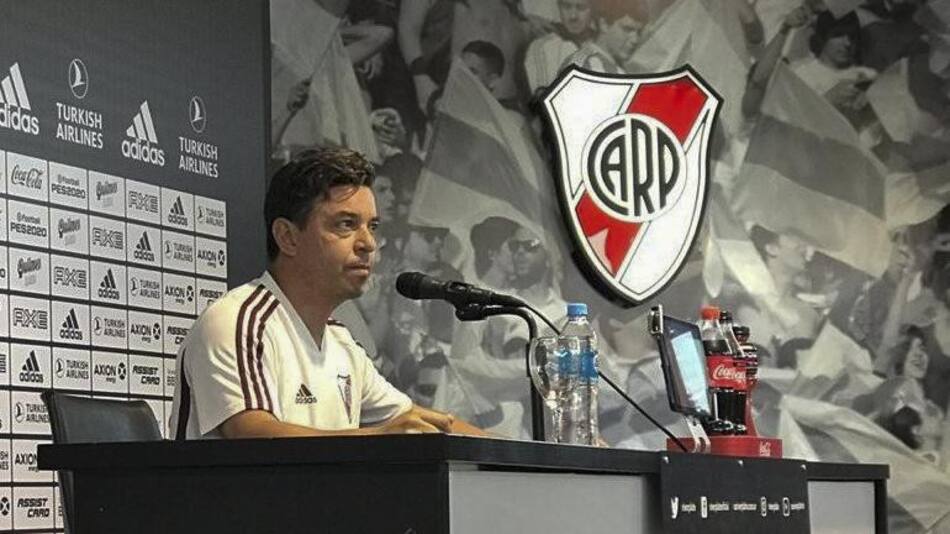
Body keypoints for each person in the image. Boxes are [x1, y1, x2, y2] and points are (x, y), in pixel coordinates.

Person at [170, 147, 484, 439]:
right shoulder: (237, 321)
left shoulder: (341, 342)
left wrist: (507, 453)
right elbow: (254, 436)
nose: (368, 244)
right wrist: (378, 440)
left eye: (372, 227)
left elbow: (420, 423)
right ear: (287, 237)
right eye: (346, 224)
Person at [523, 0, 595, 94]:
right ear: (559, 7)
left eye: (581, 8)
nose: (573, 16)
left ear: (593, 10)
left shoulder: (603, 44)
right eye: (566, 7)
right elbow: (542, 96)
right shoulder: (542, 47)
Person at [562, 0, 645, 74]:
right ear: (604, 24)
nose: (635, 40)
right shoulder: (591, 66)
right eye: (627, 29)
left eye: (639, 32)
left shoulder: (576, 59)